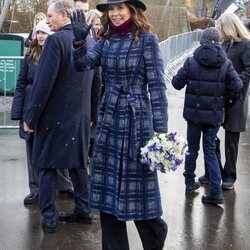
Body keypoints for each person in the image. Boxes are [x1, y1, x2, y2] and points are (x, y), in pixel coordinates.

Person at [71, 0, 168, 249]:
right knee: (107, 190)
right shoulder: (106, 41)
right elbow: (82, 64)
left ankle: (154, 230)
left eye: (120, 8)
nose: (114, 13)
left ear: (132, 10)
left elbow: (157, 86)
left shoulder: (147, 40)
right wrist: (80, 42)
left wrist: (161, 132)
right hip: (109, 118)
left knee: (139, 190)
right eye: (110, 9)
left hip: (138, 121)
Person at [23, 0, 98, 233]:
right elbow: (97, 81)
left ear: (63, 15)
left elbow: (43, 85)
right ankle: (83, 211)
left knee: (45, 166)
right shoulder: (89, 39)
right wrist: (92, 113)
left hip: (54, 118)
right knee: (78, 166)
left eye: (49, 16)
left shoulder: (55, 42)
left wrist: (30, 117)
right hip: (81, 118)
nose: (47, 20)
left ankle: (49, 218)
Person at [172, 27, 243, 205]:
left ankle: (189, 183)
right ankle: (216, 192)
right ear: (219, 42)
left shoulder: (191, 61)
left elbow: (176, 84)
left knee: (192, 149)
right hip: (214, 116)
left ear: (202, 41)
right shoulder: (226, 63)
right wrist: (225, 102)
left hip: (193, 116)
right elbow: (238, 86)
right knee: (210, 150)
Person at [11, 20, 74, 205]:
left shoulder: (58, 53)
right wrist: (17, 111)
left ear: (51, 35)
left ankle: (64, 185)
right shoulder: (30, 56)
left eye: (44, 33)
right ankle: (35, 189)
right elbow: (21, 82)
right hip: (30, 107)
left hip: (50, 109)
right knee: (31, 150)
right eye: (38, 33)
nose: (40, 36)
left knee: (54, 148)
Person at [215, 13, 250, 190]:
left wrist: (235, 85)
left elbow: (249, 71)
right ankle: (214, 171)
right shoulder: (224, 44)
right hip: (220, 98)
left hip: (236, 99)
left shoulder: (245, 45)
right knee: (210, 135)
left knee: (231, 139)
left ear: (229, 27)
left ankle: (229, 176)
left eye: (221, 27)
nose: (219, 31)